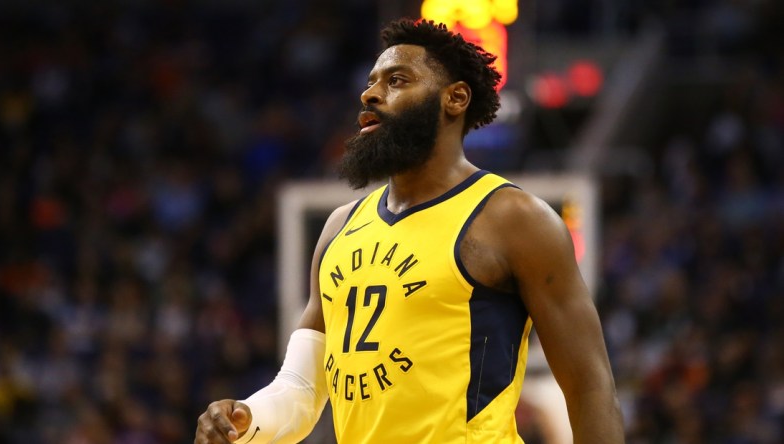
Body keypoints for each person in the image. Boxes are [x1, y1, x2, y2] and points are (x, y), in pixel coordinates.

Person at [195, 19, 624, 443]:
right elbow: (303, 390)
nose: (370, 93)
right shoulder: (339, 227)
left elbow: (590, 386)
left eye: (397, 80)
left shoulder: (512, 218)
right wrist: (245, 418)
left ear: (454, 99)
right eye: (371, 82)